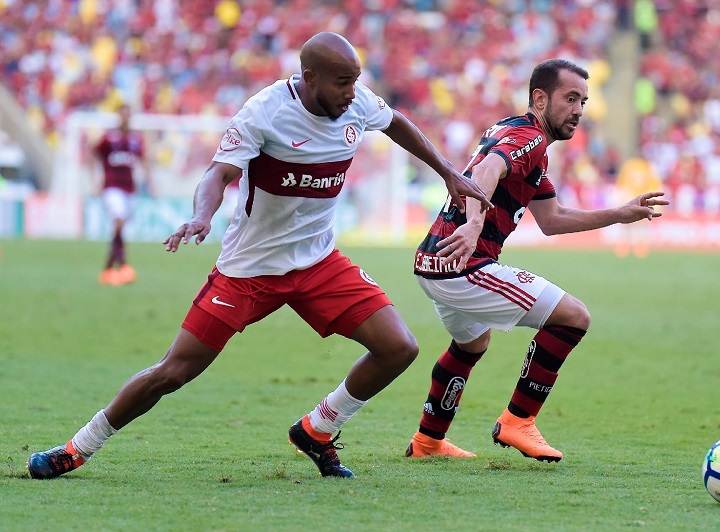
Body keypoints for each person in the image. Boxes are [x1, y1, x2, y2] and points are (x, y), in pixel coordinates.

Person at [27, 32, 492, 480]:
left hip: (318, 262)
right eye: (342, 82)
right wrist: (201, 216)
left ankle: (318, 429)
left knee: (398, 348)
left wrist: (449, 173)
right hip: (249, 270)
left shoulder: (359, 101)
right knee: (174, 371)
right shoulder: (265, 113)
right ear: (309, 77)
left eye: (355, 80)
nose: (353, 92)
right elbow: (217, 174)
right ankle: (77, 448)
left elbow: (396, 124)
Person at [404, 59, 669, 460]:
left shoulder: (524, 141)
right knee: (574, 317)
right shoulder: (530, 138)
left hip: (437, 258)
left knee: (471, 343)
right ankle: (518, 421)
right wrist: (475, 224)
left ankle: (427, 441)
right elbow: (490, 168)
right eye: (570, 98)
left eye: (583, 100)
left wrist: (619, 213)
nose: (579, 110)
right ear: (540, 99)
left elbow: (552, 219)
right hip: (463, 261)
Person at [92, 104, 152, 286]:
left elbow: (143, 160)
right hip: (112, 187)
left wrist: (150, 183)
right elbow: (94, 155)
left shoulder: (136, 139)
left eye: (128, 115)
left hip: (129, 188)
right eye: (122, 115)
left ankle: (109, 267)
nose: (125, 118)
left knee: (121, 227)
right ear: (118, 117)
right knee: (118, 221)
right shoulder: (109, 138)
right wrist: (95, 179)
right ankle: (123, 264)